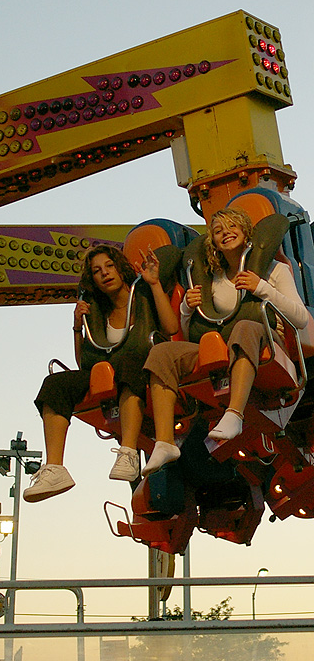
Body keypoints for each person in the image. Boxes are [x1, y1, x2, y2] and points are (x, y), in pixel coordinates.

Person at [143, 207, 309, 476]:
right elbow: (190, 330)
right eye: (218, 231)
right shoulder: (212, 279)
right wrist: (186, 308)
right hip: (222, 347)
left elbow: (300, 318)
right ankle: (165, 442)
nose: (226, 233)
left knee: (244, 327)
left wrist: (261, 287)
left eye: (233, 227)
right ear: (213, 243)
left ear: (247, 234)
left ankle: (235, 414)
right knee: (163, 354)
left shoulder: (274, 269)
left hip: (267, 341)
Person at [24, 243, 180, 503]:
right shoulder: (96, 308)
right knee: (54, 384)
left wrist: (153, 283)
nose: (105, 273)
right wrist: (77, 327)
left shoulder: (141, 294)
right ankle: (55, 469)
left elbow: (171, 326)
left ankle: (128, 451)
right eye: (97, 271)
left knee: (130, 364)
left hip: (140, 369)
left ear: (120, 269)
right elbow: (85, 361)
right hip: (109, 371)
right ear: (92, 279)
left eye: (109, 266)